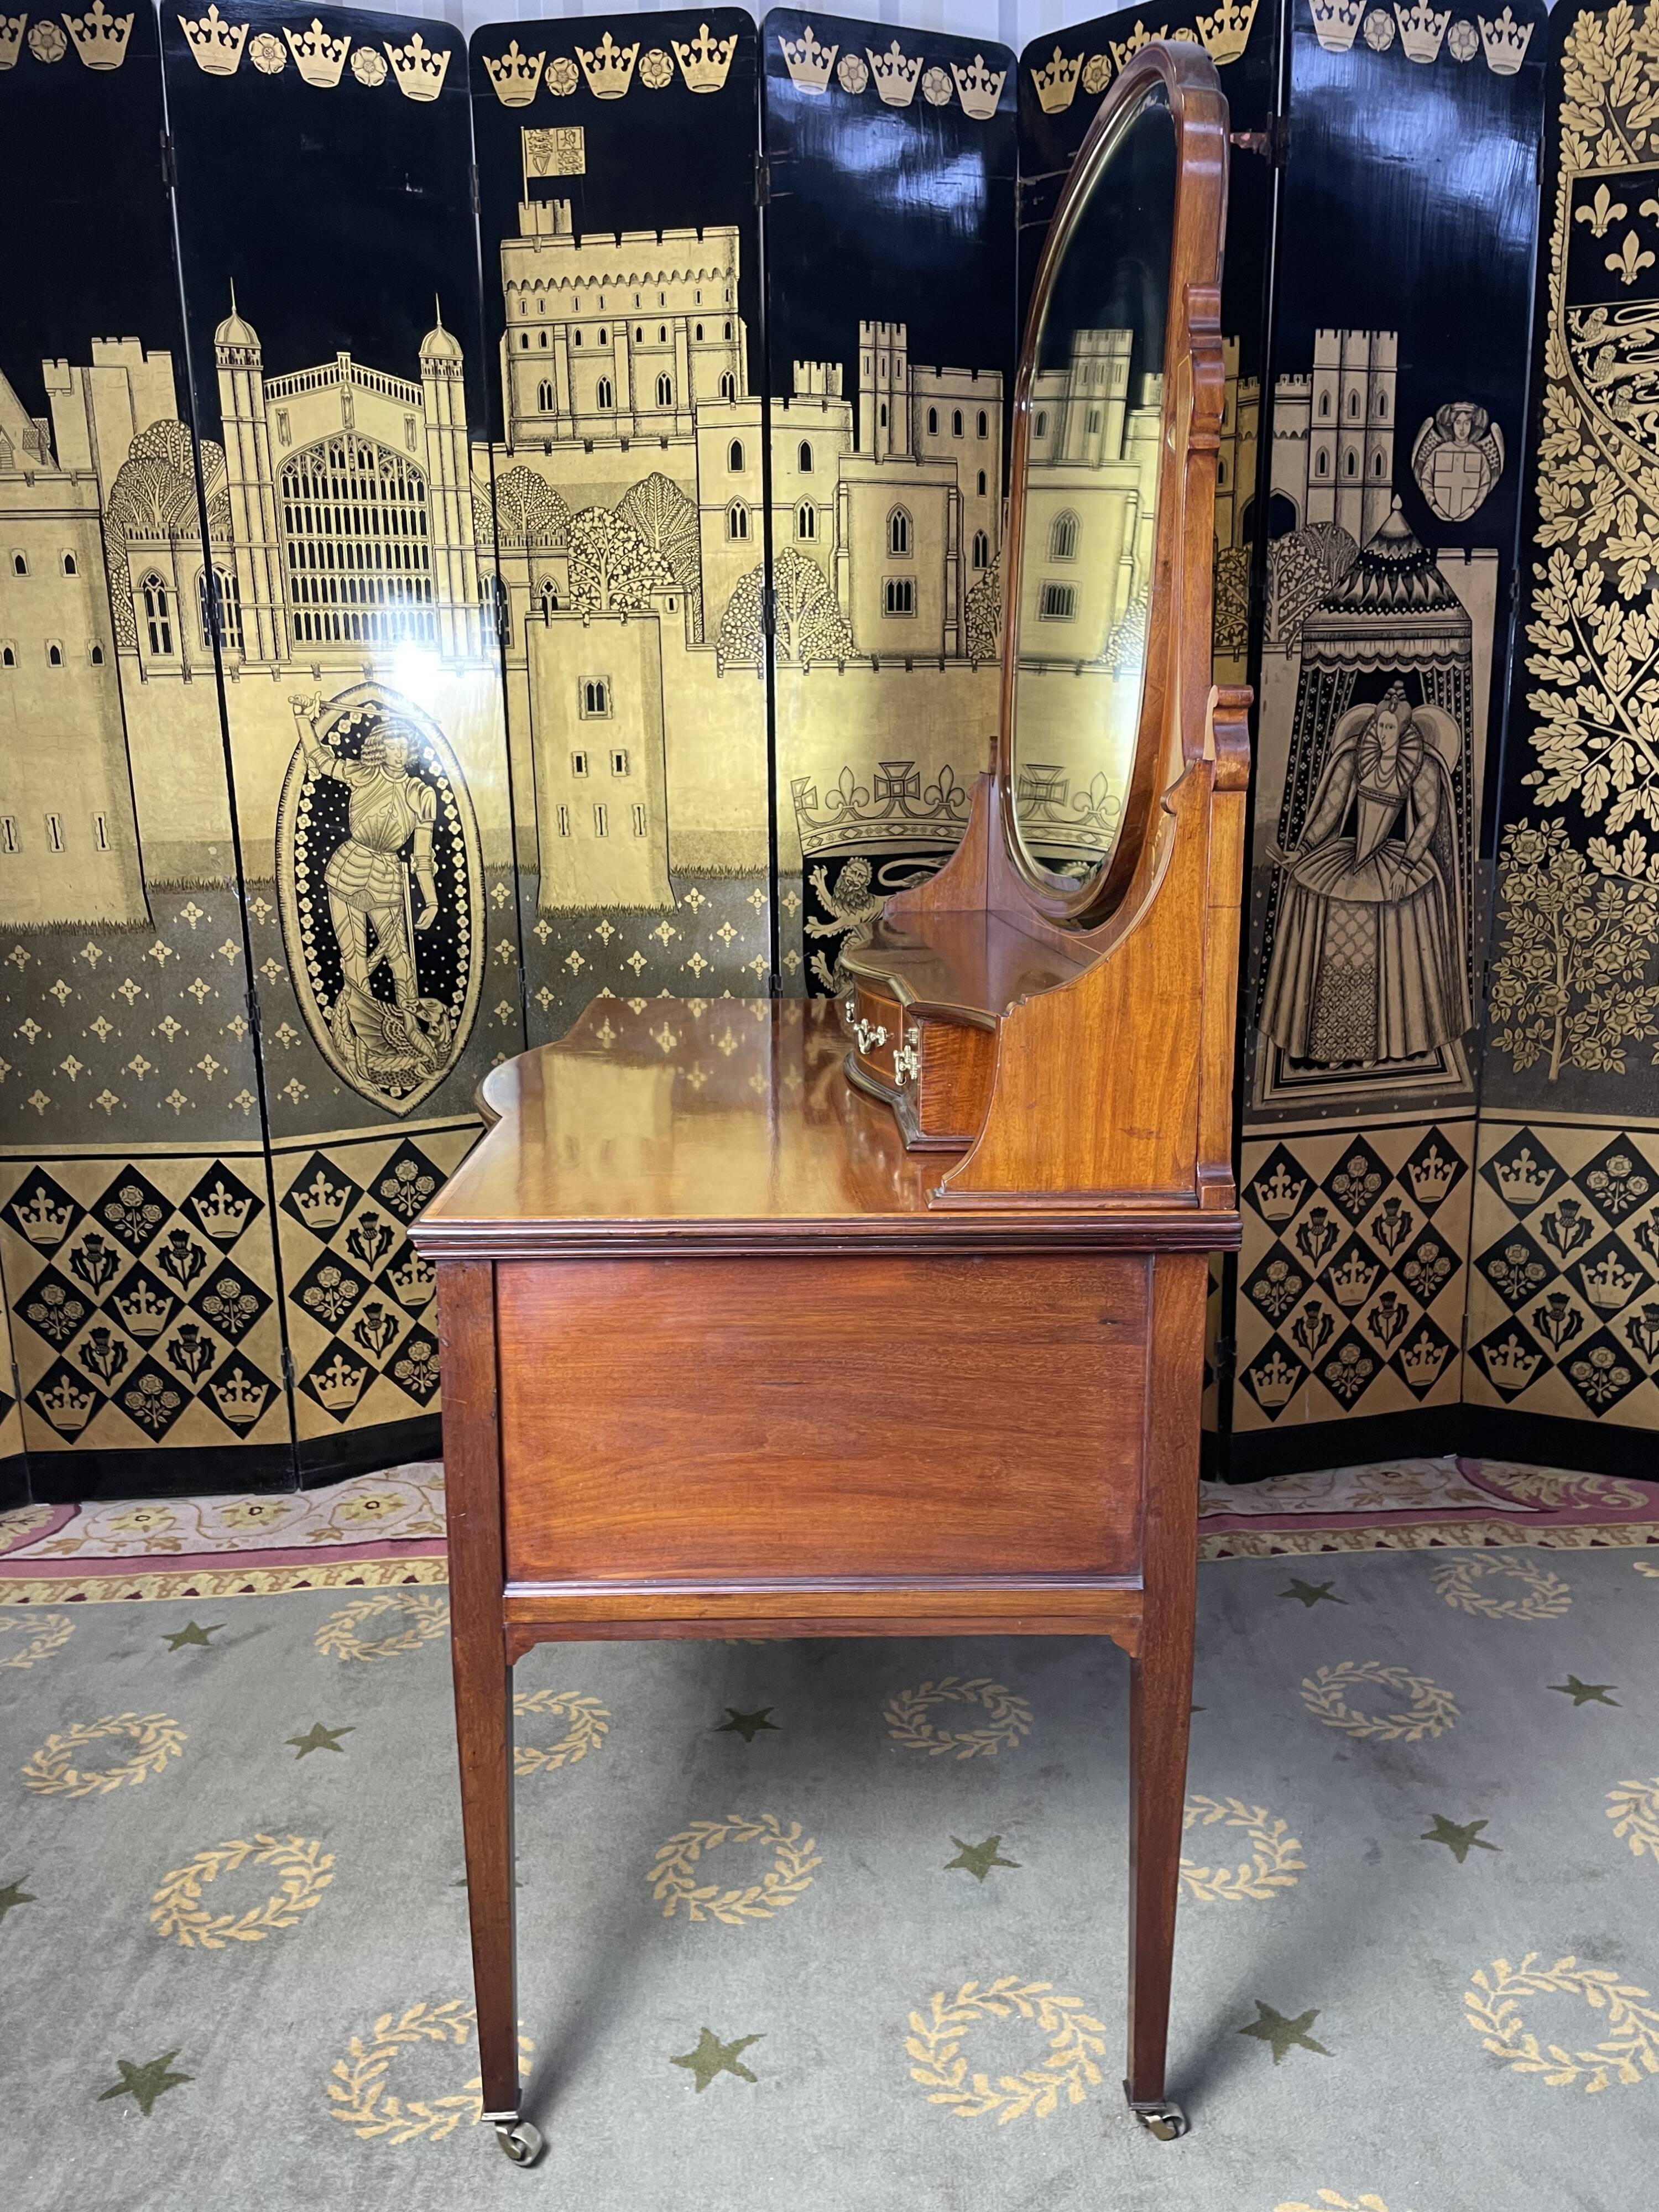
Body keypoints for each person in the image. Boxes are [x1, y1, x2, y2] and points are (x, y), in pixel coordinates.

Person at [1261, 681, 1470, 1067]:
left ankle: (1379, 1046)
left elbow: (1427, 822)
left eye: (1391, 728)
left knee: (1384, 953)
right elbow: (1327, 813)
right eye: (1379, 727)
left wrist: (1407, 868)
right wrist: (1303, 851)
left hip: (1395, 862)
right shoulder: (1352, 760)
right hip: (1348, 859)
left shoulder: (1420, 766)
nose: (1383, 734)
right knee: (1337, 955)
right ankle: (1335, 1045)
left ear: (1406, 731)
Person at [289, 695, 449, 1090]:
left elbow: (423, 856)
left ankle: (411, 1026)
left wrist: (431, 899)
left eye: (403, 745)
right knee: (353, 956)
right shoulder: (363, 774)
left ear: (409, 748)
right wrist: (302, 718)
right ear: (381, 747)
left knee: (400, 958)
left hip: (388, 875)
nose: (397, 751)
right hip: (346, 868)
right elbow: (320, 759)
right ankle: (361, 1038)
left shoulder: (421, 793)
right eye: (390, 744)